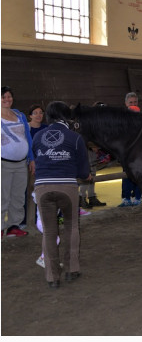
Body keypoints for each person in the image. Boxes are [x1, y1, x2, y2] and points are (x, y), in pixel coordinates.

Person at [32, 101, 91, 288]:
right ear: (68, 117)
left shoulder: (38, 136)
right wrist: (86, 175)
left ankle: (52, 277)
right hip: (67, 186)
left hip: (42, 187)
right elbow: (83, 172)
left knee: (49, 232)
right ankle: (71, 269)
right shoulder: (75, 138)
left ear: (49, 117)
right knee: (71, 227)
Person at [1, 87, 35, 238]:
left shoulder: (19, 115)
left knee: (18, 196)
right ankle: (1, 227)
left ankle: (14, 225)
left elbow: (27, 137)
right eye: (3, 96)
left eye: (9, 96)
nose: (7, 99)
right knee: (3, 196)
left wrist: (31, 158)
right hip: (3, 164)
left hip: (21, 163)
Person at [119, 92, 142, 207]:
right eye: (131, 102)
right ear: (126, 104)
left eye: (135, 102)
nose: (133, 104)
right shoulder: (121, 120)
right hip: (126, 153)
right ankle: (126, 199)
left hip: (140, 153)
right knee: (126, 175)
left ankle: (138, 197)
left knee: (139, 175)